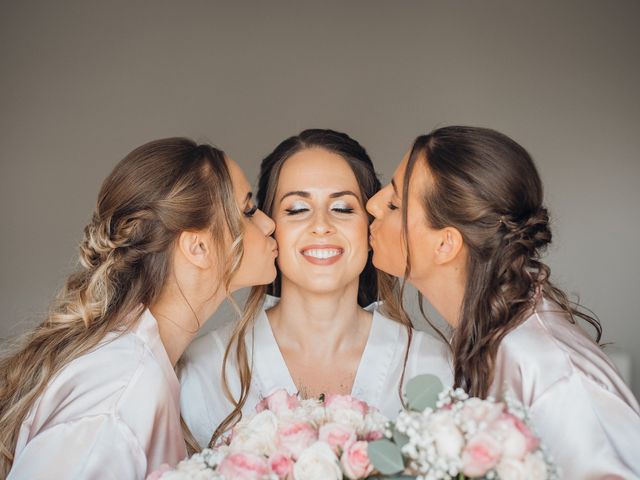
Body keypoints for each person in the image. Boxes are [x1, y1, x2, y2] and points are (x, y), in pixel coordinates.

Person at [366, 125, 640, 478]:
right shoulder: (487, 339)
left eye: (394, 204)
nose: (372, 204)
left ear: (445, 245)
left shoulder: (542, 365)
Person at [0, 138, 277, 479]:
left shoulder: (140, 368)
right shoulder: (123, 390)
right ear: (199, 246)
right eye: (248, 211)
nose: (268, 223)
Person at [180, 129, 453, 449]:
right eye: (296, 209)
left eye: (343, 208)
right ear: (268, 227)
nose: (321, 225)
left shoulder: (432, 364)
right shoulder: (203, 370)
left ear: (370, 225)